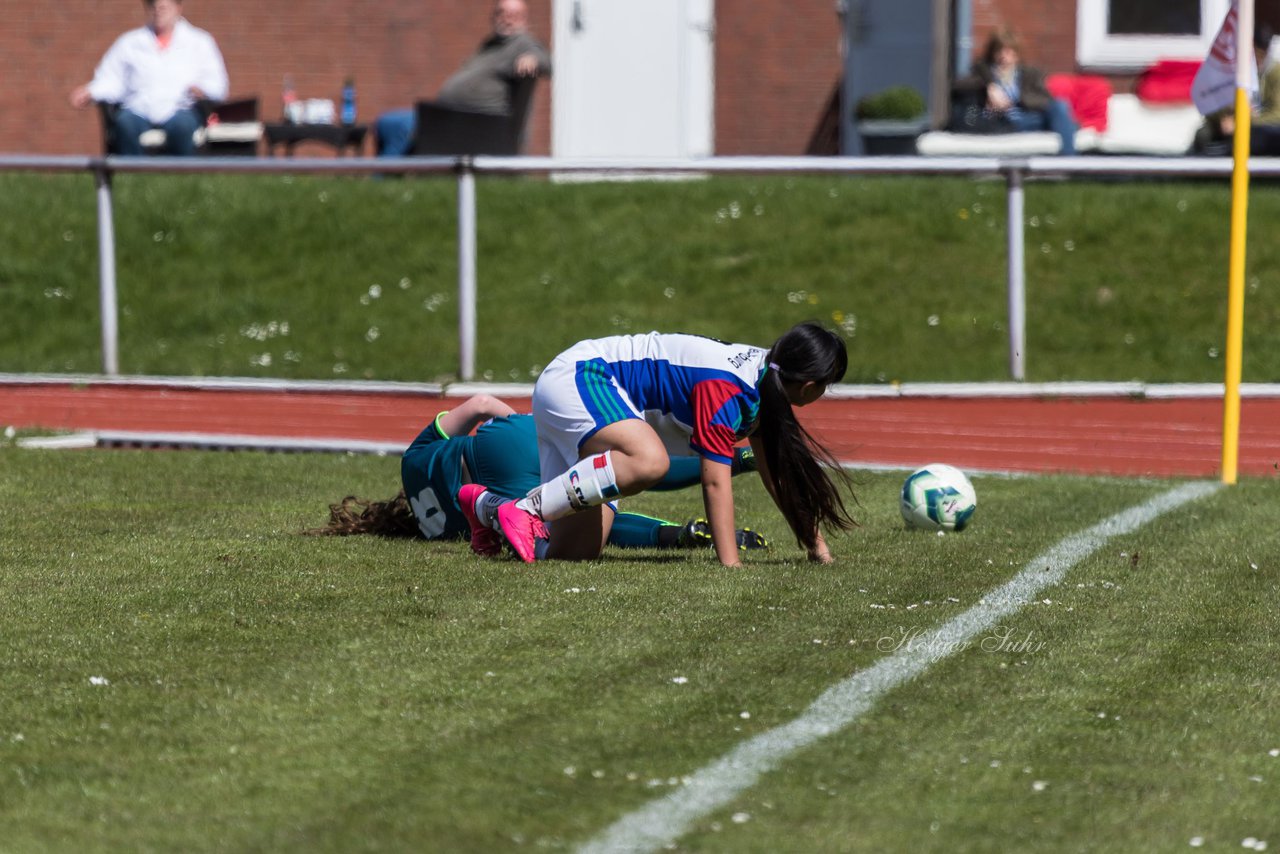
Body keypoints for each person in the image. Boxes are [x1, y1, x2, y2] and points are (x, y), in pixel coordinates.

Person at [461, 323, 858, 568]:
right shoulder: (730, 388)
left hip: (577, 389)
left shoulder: (761, 387)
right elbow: (715, 481)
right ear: (809, 386)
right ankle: (527, 507)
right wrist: (731, 565)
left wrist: (816, 547)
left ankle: (488, 508)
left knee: (574, 554)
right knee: (649, 461)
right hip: (581, 376)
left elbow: (779, 478)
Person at [308, 394, 768, 552]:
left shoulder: (436, 533)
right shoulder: (413, 462)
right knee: (618, 464)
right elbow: (482, 405)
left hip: (498, 486)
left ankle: (675, 534)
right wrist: (530, 430)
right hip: (497, 440)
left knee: (590, 509)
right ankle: (739, 458)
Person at [374, 0, 551, 157]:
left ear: (525, 20)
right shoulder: (490, 45)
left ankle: (383, 184)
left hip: (476, 124)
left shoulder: (522, 43)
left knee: (402, 128)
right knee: (386, 123)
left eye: (514, 15)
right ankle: (393, 184)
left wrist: (533, 59)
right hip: (451, 116)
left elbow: (546, 62)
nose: (507, 19)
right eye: (501, 13)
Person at [69, 0, 229, 156]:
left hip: (181, 109)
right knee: (125, 124)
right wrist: (91, 91)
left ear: (178, 7)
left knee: (183, 127)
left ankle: (180, 178)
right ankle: (132, 177)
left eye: (163, 6)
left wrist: (203, 89)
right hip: (139, 108)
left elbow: (217, 84)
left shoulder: (200, 41)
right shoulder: (129, 42)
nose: (158, 10)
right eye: (153, 6)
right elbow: (112, 78)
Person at [970, 29, 1077, 155]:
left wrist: (1019, 99)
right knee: (1063, 119)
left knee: (1060, 105)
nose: (1004, 56)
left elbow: (1045, 99)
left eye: (1009, 51)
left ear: (1016, 54)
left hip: (1028, 118)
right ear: (992, 53)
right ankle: (1070, 155)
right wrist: (990, 86)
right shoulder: (984, 72)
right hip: (1003, 121)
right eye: (999, 51)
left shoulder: (1029, 74)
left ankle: (1069, 160)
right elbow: (963, 83)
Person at [1196, 23, 1280, 156]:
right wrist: (1224, 116)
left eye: (1261, 53)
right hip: (1231, 124)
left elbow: (1276, 114)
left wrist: (1243, 121)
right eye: (1255, 52)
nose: (1257, 58)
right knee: (1203, 135)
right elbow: (1211, 104)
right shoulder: (1231, 70)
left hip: (1260, 127)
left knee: (1259, 138)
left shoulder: (1275, 73)